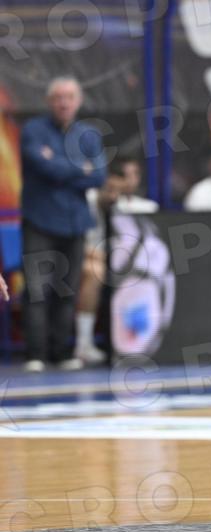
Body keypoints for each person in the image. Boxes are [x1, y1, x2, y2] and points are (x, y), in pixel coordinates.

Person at [20, 76, 105, 373]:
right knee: (37, 290)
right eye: (58, 97)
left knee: (67, 291)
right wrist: (79, 168)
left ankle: (61, 352)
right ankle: (36, 354)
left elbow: (98, 176)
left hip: (75, 224)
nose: (64, 103)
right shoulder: (33, 130)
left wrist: (58, 164)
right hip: (39, 222)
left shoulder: (89, 135)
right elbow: (43, 167)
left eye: (69, 97)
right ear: (49, 101)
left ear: (78, 102)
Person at [75, 156, 157, 364]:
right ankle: (84, 344)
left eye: (118, 192)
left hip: (114, 264)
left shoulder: (121, 207)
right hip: (79, 261)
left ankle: (132, 344)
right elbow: (78, 247)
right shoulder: (85, 202)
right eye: (109, 189)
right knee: (95, 272)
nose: (113, 196)